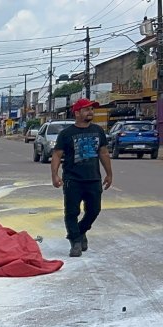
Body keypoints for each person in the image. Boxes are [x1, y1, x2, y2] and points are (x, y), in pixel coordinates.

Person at [51, 98, 112, 258]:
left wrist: (109, 174)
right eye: (86, 109)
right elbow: (57, 155)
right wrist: (55, 175)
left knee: (94, 210)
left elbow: (103, 153)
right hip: (73, 180)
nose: (90, 112)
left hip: (93, 179)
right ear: (77, 113)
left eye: (91, 109)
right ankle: (75, 242)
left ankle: (79, 231)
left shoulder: (98, 131)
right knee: (71, 212)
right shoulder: (66, 134)